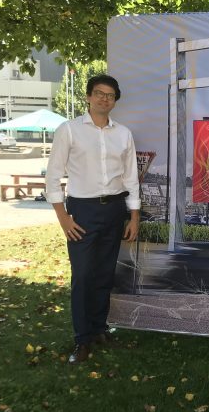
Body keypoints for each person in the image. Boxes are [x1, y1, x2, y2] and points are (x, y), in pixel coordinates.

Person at [45, 75, 140, 364]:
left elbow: (131, 178)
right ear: (88, 97)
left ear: (114, 101)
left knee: (104, 274)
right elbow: (52, 177)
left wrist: (133, 216)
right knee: (83, 276)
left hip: (114, 210)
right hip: (82, 211)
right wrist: (63, 218)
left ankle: (99, 329)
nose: (104, 99)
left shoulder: (123, 134)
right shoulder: (69, 130)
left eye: (110, 95)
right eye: (99, 93)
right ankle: (82, 339)